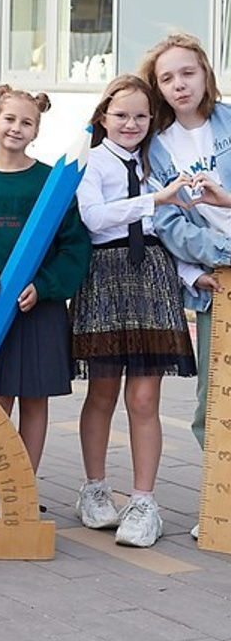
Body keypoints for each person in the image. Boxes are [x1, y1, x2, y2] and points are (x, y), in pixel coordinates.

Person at [0, 86, 91, 518]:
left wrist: (44, 286)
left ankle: (22, 489)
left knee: (34, 401)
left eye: (26, 122)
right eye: (9, 119)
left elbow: (73, 248)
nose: (16, 128)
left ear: (36, 131)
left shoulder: (52, 182)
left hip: (37, 310)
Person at [73, 74, 195, 549]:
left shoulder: (158, 161)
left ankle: (144, 501)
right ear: (103, 116)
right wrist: (152, 199)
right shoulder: (92, 161)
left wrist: (187, 275)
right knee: (102, 392)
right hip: (105, 275)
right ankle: (95, 489)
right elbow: (94, 217)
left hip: (153, 277)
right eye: (121, 114)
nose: (131, 123)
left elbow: (174, 223)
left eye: (141, 115)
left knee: (144, 398)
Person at [141, 33, 231, 539]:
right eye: (167, 78)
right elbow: (169, 226)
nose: (179, 85)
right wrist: (218, 260)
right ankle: (224, 501)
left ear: (205, 74)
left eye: (187, 73)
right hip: (217, 284)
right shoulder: (156, 148)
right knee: (214, 403)